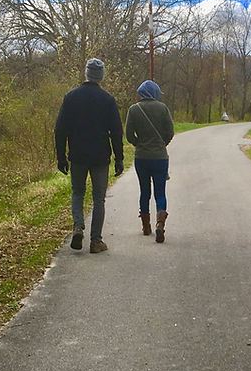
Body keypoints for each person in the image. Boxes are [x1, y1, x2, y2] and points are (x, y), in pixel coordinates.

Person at [54, 58, 124, 253]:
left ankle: (78, 226)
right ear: (100, 76)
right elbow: (117, 132)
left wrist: (61, 157)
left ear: (86, 73)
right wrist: (119, 159)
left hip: (77, 155)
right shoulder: (107, 100)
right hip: (100, 156)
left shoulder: (71, 97)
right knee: (98, 198)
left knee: (77, 193)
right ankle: (96, 241)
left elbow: (60, 130)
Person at [125, 80, 175, 243]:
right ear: (154, 93)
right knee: (160, 192)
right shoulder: (163, 108)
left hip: (142, 157)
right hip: (160, 157)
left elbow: (129, 135)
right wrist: (163, 143)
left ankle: (146, 227)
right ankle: (160, 224)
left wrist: (138, 144)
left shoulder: (134, 109)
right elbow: (170, 131)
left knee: (144, 191)